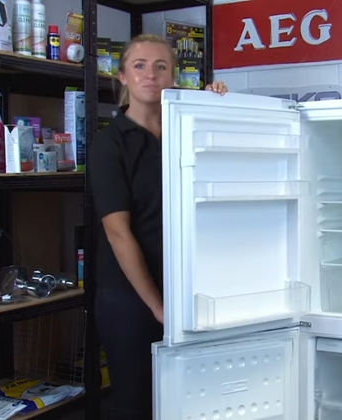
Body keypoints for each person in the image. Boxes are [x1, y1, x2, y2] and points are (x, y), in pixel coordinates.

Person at [87, 33, 228, 419]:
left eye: (161, 66)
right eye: (140, 66)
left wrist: (218, 103)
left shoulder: (186, 132)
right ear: (122, 77)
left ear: (174, 77)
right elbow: (118, 232)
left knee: (193, 396)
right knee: (137, 401)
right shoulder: (110, 144)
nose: (151, 74)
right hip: (130, 296)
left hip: (187, 285)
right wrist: (157, 305)